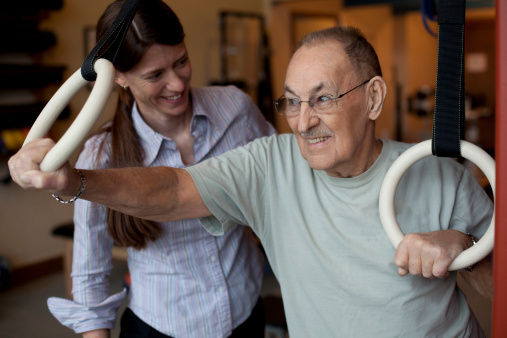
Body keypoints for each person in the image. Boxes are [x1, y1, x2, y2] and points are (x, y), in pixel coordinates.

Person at [9, 26, 494, 337]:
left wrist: (465, 248)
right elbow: (173, 190)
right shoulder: (270, 166)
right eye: (291, 102)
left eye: (323, 99)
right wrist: (75, 179)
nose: (303, 122)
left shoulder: (439, 174)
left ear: (373, 99)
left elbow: (499, 284)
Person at [41, 1, 276, 337]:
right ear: (118, 77)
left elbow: (281, 184)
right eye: (155, 75)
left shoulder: (236, 109)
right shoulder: (100, 157)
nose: (177, 84)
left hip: (246, 311)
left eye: (181, 62)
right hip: (162, 325)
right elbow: (89, 275)